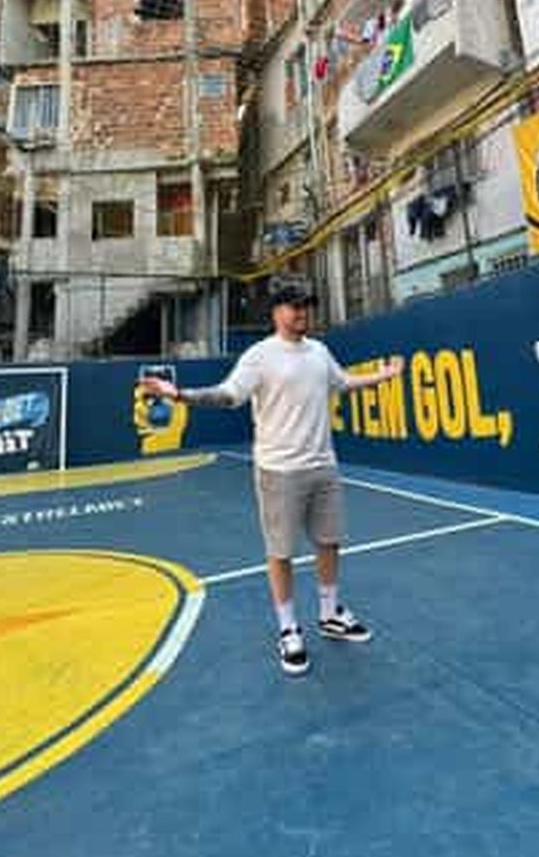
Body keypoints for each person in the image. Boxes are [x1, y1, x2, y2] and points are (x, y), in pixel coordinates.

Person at [143, 276, 404, 676]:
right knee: (281, 552)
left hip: (323, 465)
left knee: (329, 541)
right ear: (276, 312)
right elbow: (228, 395)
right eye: (293, 305)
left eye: (305, 305)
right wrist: (178, 395)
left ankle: (330, 612)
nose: (302, 312)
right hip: (279, 471)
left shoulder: (319, 351)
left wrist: (382, 376)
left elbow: (343, 381)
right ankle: (288, 630)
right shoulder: (259, 356)